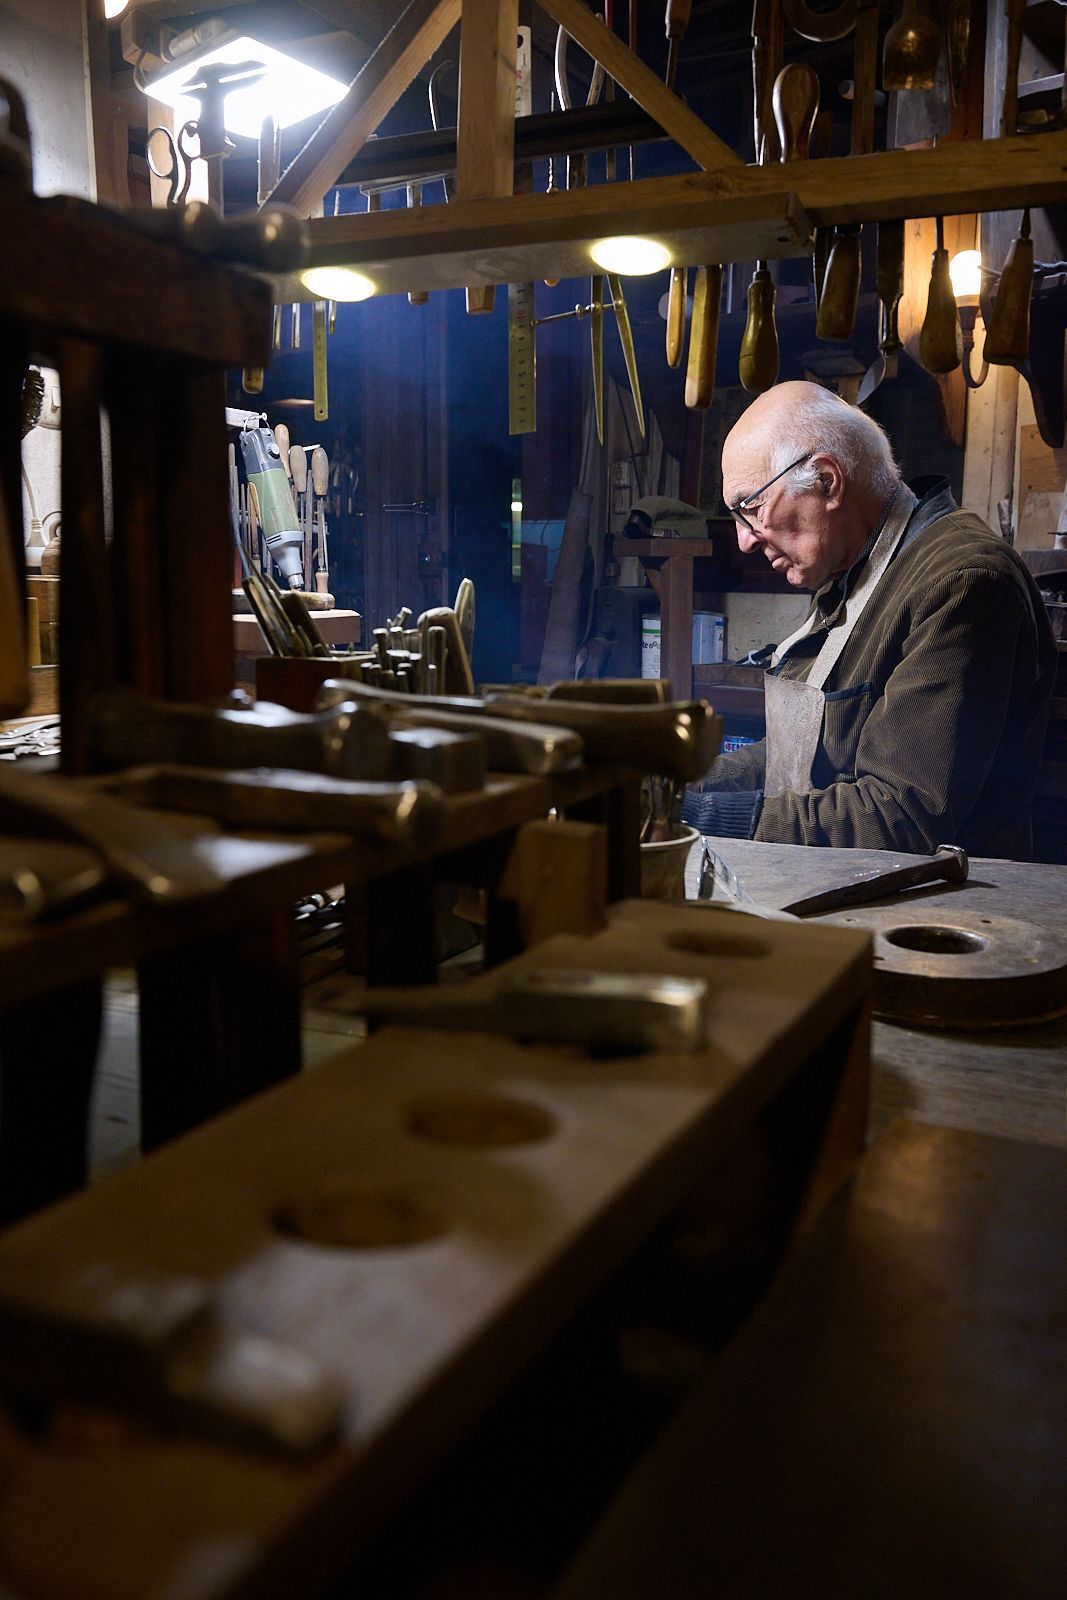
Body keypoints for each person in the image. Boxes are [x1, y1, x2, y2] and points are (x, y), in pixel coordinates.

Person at [683, 381, 1056, 857]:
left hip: (936, 911)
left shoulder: (962, 582)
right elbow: (798, 758)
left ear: (826, 481)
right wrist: (676, 786)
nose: (744, 541)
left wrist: (699, 817)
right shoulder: (851, 577)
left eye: (749, 509)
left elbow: (898, 817)